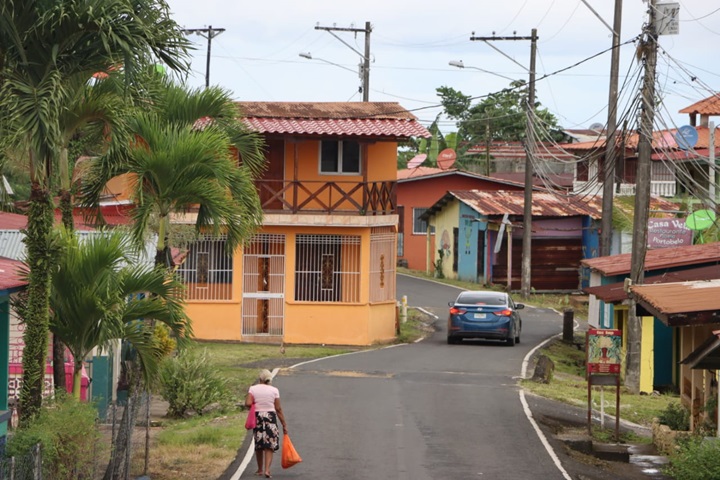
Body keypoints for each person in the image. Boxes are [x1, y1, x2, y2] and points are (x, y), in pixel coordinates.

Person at [246, 369, 288, 478]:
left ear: (260, 378)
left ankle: (259, 469)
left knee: (259, 443)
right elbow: (278, 409)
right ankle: (267, 470)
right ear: (269, 379)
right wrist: (284, 424)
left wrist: (255, 404)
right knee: (269, 444)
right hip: (270, 417)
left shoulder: (253, 388)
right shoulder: (274, 390)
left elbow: (248, 403)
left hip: (258, 417)